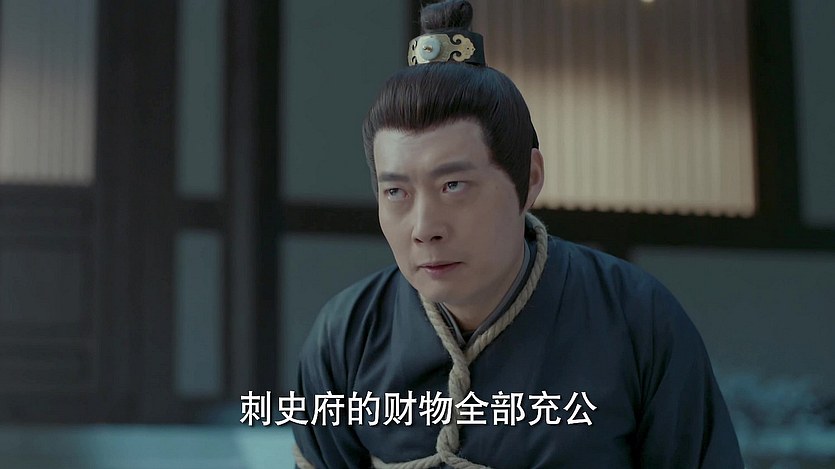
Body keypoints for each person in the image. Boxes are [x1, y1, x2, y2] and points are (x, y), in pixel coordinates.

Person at [292, 1, 744, 467]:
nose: (425, 228)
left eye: (454, 186)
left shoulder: (635, 318)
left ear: (529, 178)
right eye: (396, 192)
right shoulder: (349, 332)